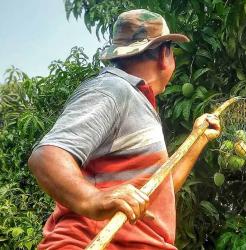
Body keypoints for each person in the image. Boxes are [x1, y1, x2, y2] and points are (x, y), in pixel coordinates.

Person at [28, 9, 221, 249]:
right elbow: (47, 156)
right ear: (164, 54)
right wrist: (93, 199)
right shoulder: (112, 89)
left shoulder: (139, 104)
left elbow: (159, 188)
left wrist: (198, 138)